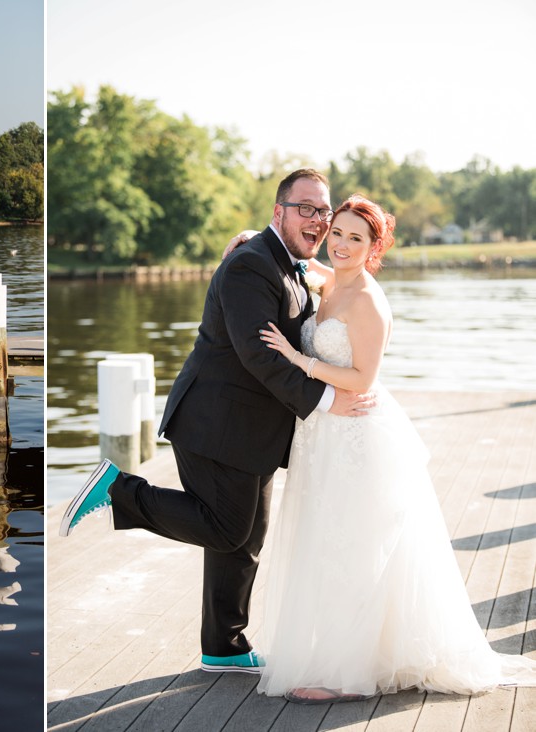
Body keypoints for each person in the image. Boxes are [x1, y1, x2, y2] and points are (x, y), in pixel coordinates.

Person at [59, 169, 373, 675]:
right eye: (305, 208)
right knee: (227, 529)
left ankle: (223, 645)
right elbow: (258, 356)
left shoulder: (288, 262)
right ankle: (118, 489)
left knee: (249, 536)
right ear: (279, 213)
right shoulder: (251, 267)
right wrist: (323, 401)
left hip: (255, 432)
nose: (317, 220)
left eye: (323, 211)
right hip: (215, 423)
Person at [250, 194, 536, 702]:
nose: (339, 243)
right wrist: (251, 242)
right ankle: (342, 652)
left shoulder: (368, 301)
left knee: (356, 547)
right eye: (336, 232)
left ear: (373, 246)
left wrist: (299, 358)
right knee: (328, 542)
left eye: (354, 238)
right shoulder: (333, 280)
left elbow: (363, 379)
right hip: (324, 436)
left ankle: (350, 675)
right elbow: (303, 263)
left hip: (357, 434)